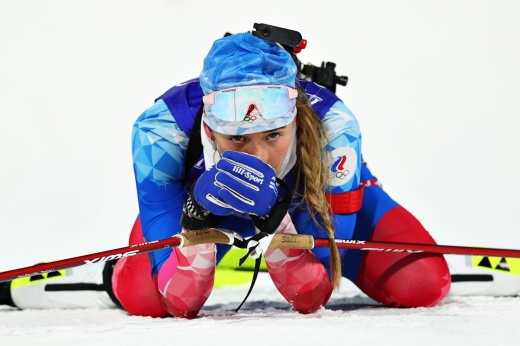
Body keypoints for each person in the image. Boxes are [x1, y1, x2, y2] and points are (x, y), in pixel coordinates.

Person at [0, 29, 451, 317]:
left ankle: (242, 254)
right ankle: (138, 267)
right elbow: (182, 302)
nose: (257, 156)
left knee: (424, 283)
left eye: (274, 136)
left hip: (308, 210)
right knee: (147, 298)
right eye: (237, 140)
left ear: (295, 117)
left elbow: (315, 293)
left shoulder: (335, 127)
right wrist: (196, 225)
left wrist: (278, 227)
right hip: (198, 215)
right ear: (210, 128)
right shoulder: (159, 131)